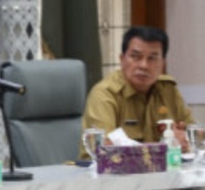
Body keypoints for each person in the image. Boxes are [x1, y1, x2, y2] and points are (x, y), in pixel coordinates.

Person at [80, 26, 194, 158]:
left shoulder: (168, 90)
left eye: (152, 58)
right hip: (109, 176)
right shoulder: (105, 94)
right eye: (135, 57)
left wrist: (184, 140)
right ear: (122, 59)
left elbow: (194, 136)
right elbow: (106, 151)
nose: (143, 65)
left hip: (161, 175)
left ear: (163, 64)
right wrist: (168, 147)